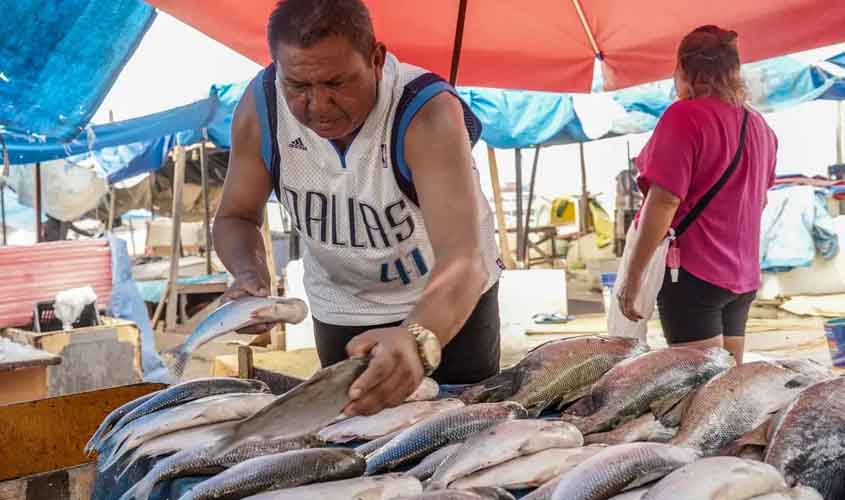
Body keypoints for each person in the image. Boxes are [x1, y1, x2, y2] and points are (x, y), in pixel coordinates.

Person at [213, 0, 503, 416]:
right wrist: (248, 276)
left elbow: (463, 260)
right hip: (342, 307)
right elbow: (235, 216)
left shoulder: (425, 111)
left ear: (377, 59)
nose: (319, 106)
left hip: (448, 307)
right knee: (352, 442)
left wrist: (418, 338)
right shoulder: (262, 108)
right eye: (298, 86)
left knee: (459, 430)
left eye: (336, 83)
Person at [617, 25, 777, 363]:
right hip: (742, 277)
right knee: (727, 386)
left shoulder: (684, 116)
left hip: (693, 274)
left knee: (698, 387)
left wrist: (634, 277)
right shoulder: (760, 126)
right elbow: (759, 201)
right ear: (733, 70)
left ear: (684, 69)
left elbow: (664, 202)